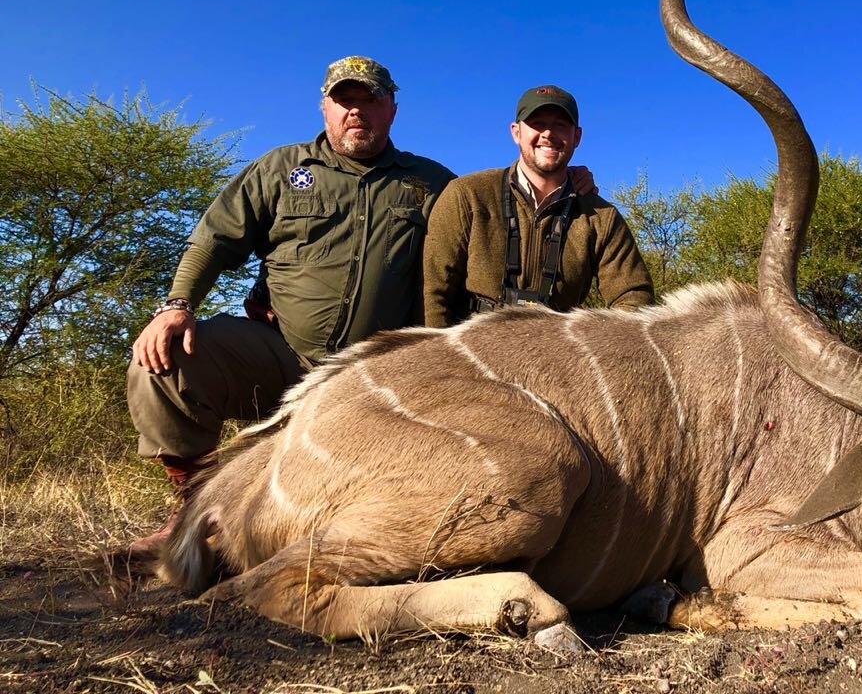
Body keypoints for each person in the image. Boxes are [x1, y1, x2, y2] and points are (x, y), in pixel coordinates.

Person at [125, 56, 454, 551]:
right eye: (346, 100)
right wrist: (176, 307)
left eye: (371, 100)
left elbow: (493, 220)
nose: (357, 111)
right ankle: (193, 511)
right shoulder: (281, 169)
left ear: (392, 108)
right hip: (282, 353)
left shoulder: (432, 183)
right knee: (164, 362)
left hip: (374, 373)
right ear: (325, 106)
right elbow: (214, 238)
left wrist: (568, 187)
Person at [423, 84, 653, 326]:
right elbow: (432, 291)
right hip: (472, 352)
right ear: (516, 132)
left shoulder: (601, 217)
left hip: (558, 355)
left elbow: (635, 299)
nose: (548, 134)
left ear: (577, 137)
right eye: (537, 123)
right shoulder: (467, 195)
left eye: (560, 125)